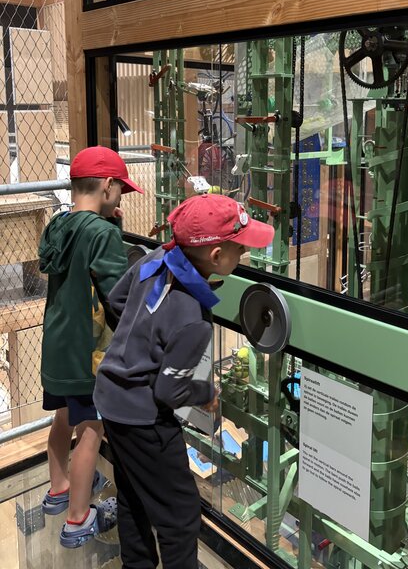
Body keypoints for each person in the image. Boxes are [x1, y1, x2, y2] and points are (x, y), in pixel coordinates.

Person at [94, 193, 274, 569]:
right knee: (180, 516)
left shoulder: (156, 259)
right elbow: (169, 391)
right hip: (143, 418)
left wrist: (142, 336)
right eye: (238, 249)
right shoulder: (194, 317)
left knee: (132, 495)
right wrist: (206, 392)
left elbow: (117, 299)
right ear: (215, 257)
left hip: (110, 396)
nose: (242, 255)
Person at [39, 146, 143, 549]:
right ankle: (79, 519)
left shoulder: (58, 225)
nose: (120, 198)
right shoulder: (101, 233)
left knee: (63, 418)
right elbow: (118, 289)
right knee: (91, 430)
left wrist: (108, 225)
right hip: (88, 354)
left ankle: (59, 488)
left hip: (57, 347)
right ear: (107, 185)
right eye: (120, 191)